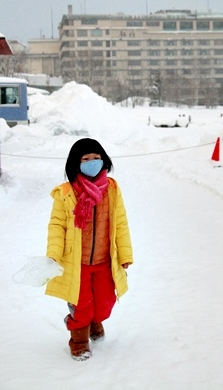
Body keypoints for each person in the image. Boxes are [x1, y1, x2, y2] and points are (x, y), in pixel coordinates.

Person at [45, 138, 133, 361]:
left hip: (105, 260)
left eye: (96, 158)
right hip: (77, 263)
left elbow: (120, 222)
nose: (92, 162)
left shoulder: (112, 189)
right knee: (82, 305)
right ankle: (79, 339)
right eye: (86, 159)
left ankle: (95, 322)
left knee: (104, 305)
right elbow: (57, 225)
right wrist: (53, 254)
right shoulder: (66, 192)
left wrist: (125, 254)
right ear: (76, 163)